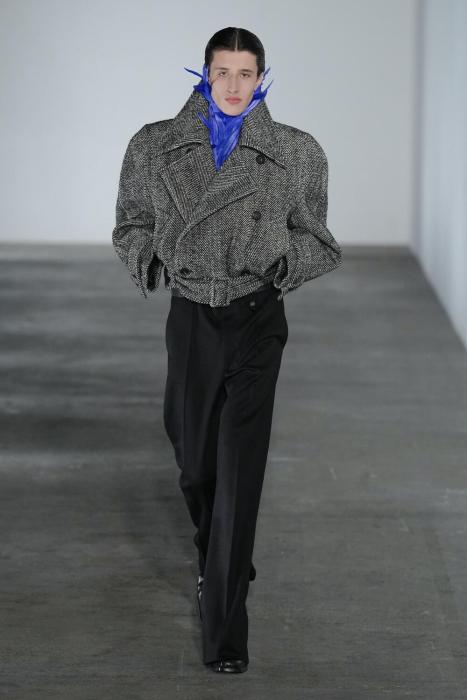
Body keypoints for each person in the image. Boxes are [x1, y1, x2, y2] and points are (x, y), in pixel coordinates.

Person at [112, 27, 343, 674]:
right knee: (194, 464)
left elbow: (320, 241)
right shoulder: (155, 145)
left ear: (262, 77)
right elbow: (130, 223)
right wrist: (154, 259)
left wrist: (279, 259)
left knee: (239, 472)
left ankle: (225, 628)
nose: (234, 85)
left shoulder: (295, 152)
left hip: (255, 318)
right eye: (223, 72)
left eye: (246, 73)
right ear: (204, 74)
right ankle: (217, 551)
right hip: (191, 316)